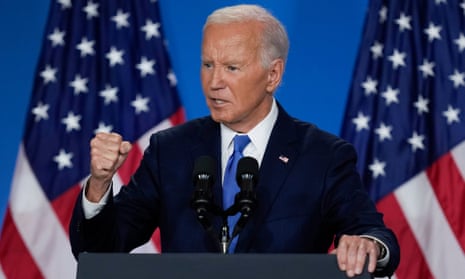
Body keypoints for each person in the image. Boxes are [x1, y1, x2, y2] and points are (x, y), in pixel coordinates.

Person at [69, 4, 400, 278]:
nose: (214, 82)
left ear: (273, 75)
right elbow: (101, 251)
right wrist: (99, 184)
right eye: (208, 64)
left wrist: (367, 244)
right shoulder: (170, 150)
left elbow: (375, 234)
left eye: (231, 67)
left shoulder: (323, 155)